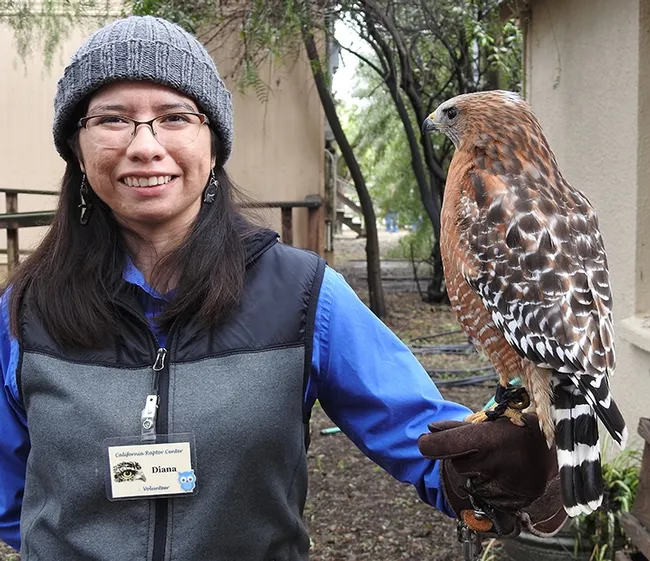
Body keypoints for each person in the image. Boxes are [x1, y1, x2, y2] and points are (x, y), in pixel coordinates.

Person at [0, 16, 565, 560]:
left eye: (175, 116)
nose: (145, 145)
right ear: (76, 146)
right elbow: (9, 496)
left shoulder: (302, 294)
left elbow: (420, 436)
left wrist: (486, 468)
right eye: (113, 119)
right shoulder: (23, 312)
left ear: (214, 143)